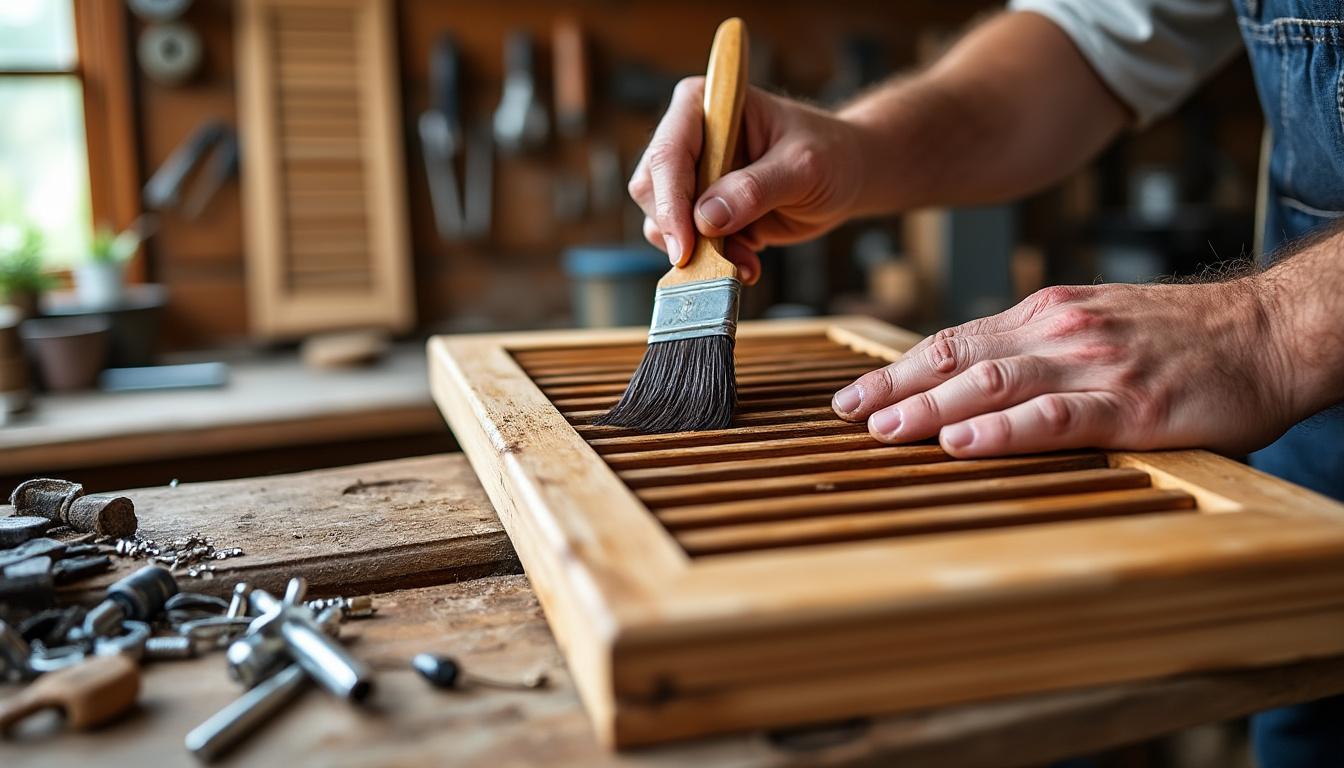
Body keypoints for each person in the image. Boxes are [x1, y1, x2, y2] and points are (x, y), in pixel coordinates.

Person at [628, 2, 1344, 765]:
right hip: (1315, 475)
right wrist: (859, 146)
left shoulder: (1268, 340)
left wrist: (1272, 329)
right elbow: (1094, 39)